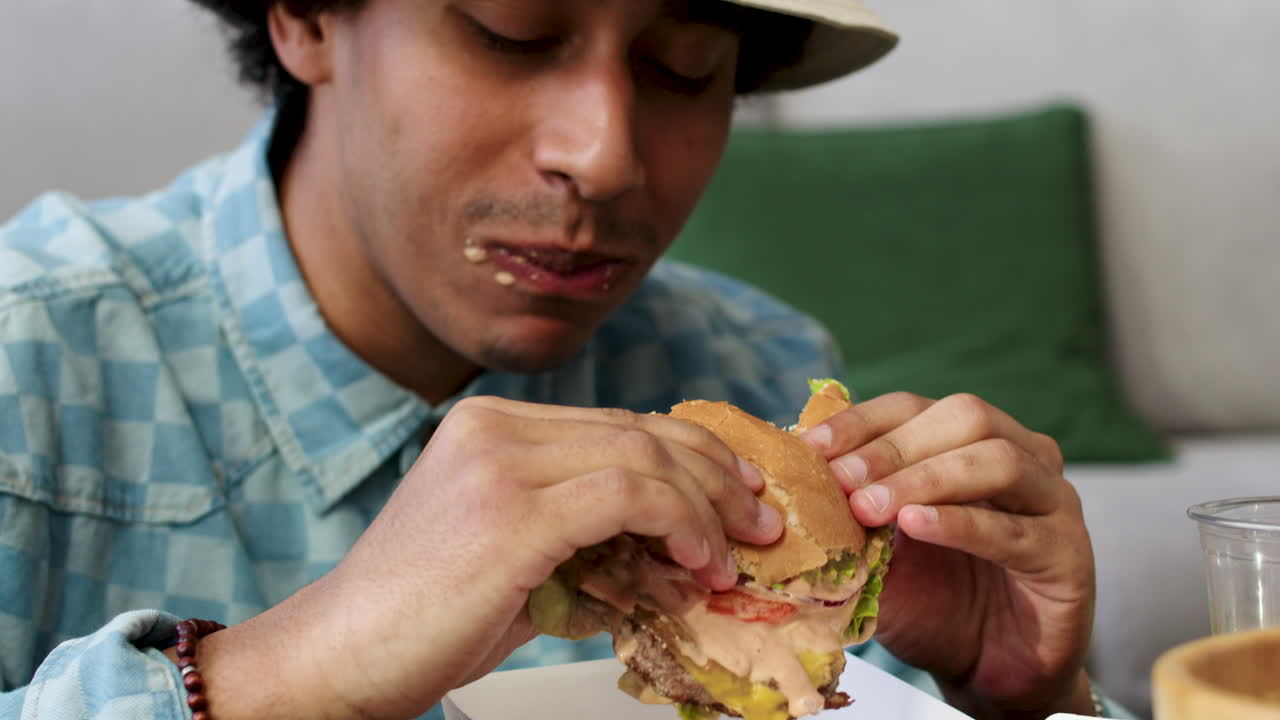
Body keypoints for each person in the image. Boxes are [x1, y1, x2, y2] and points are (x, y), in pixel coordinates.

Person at [0, 1, 1131, 718]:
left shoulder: (753, 362)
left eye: (685, 66)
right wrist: (266, 684)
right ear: (305, 15)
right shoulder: (31, 356)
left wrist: (1020, 696)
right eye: (513, 31)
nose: (603, 154)